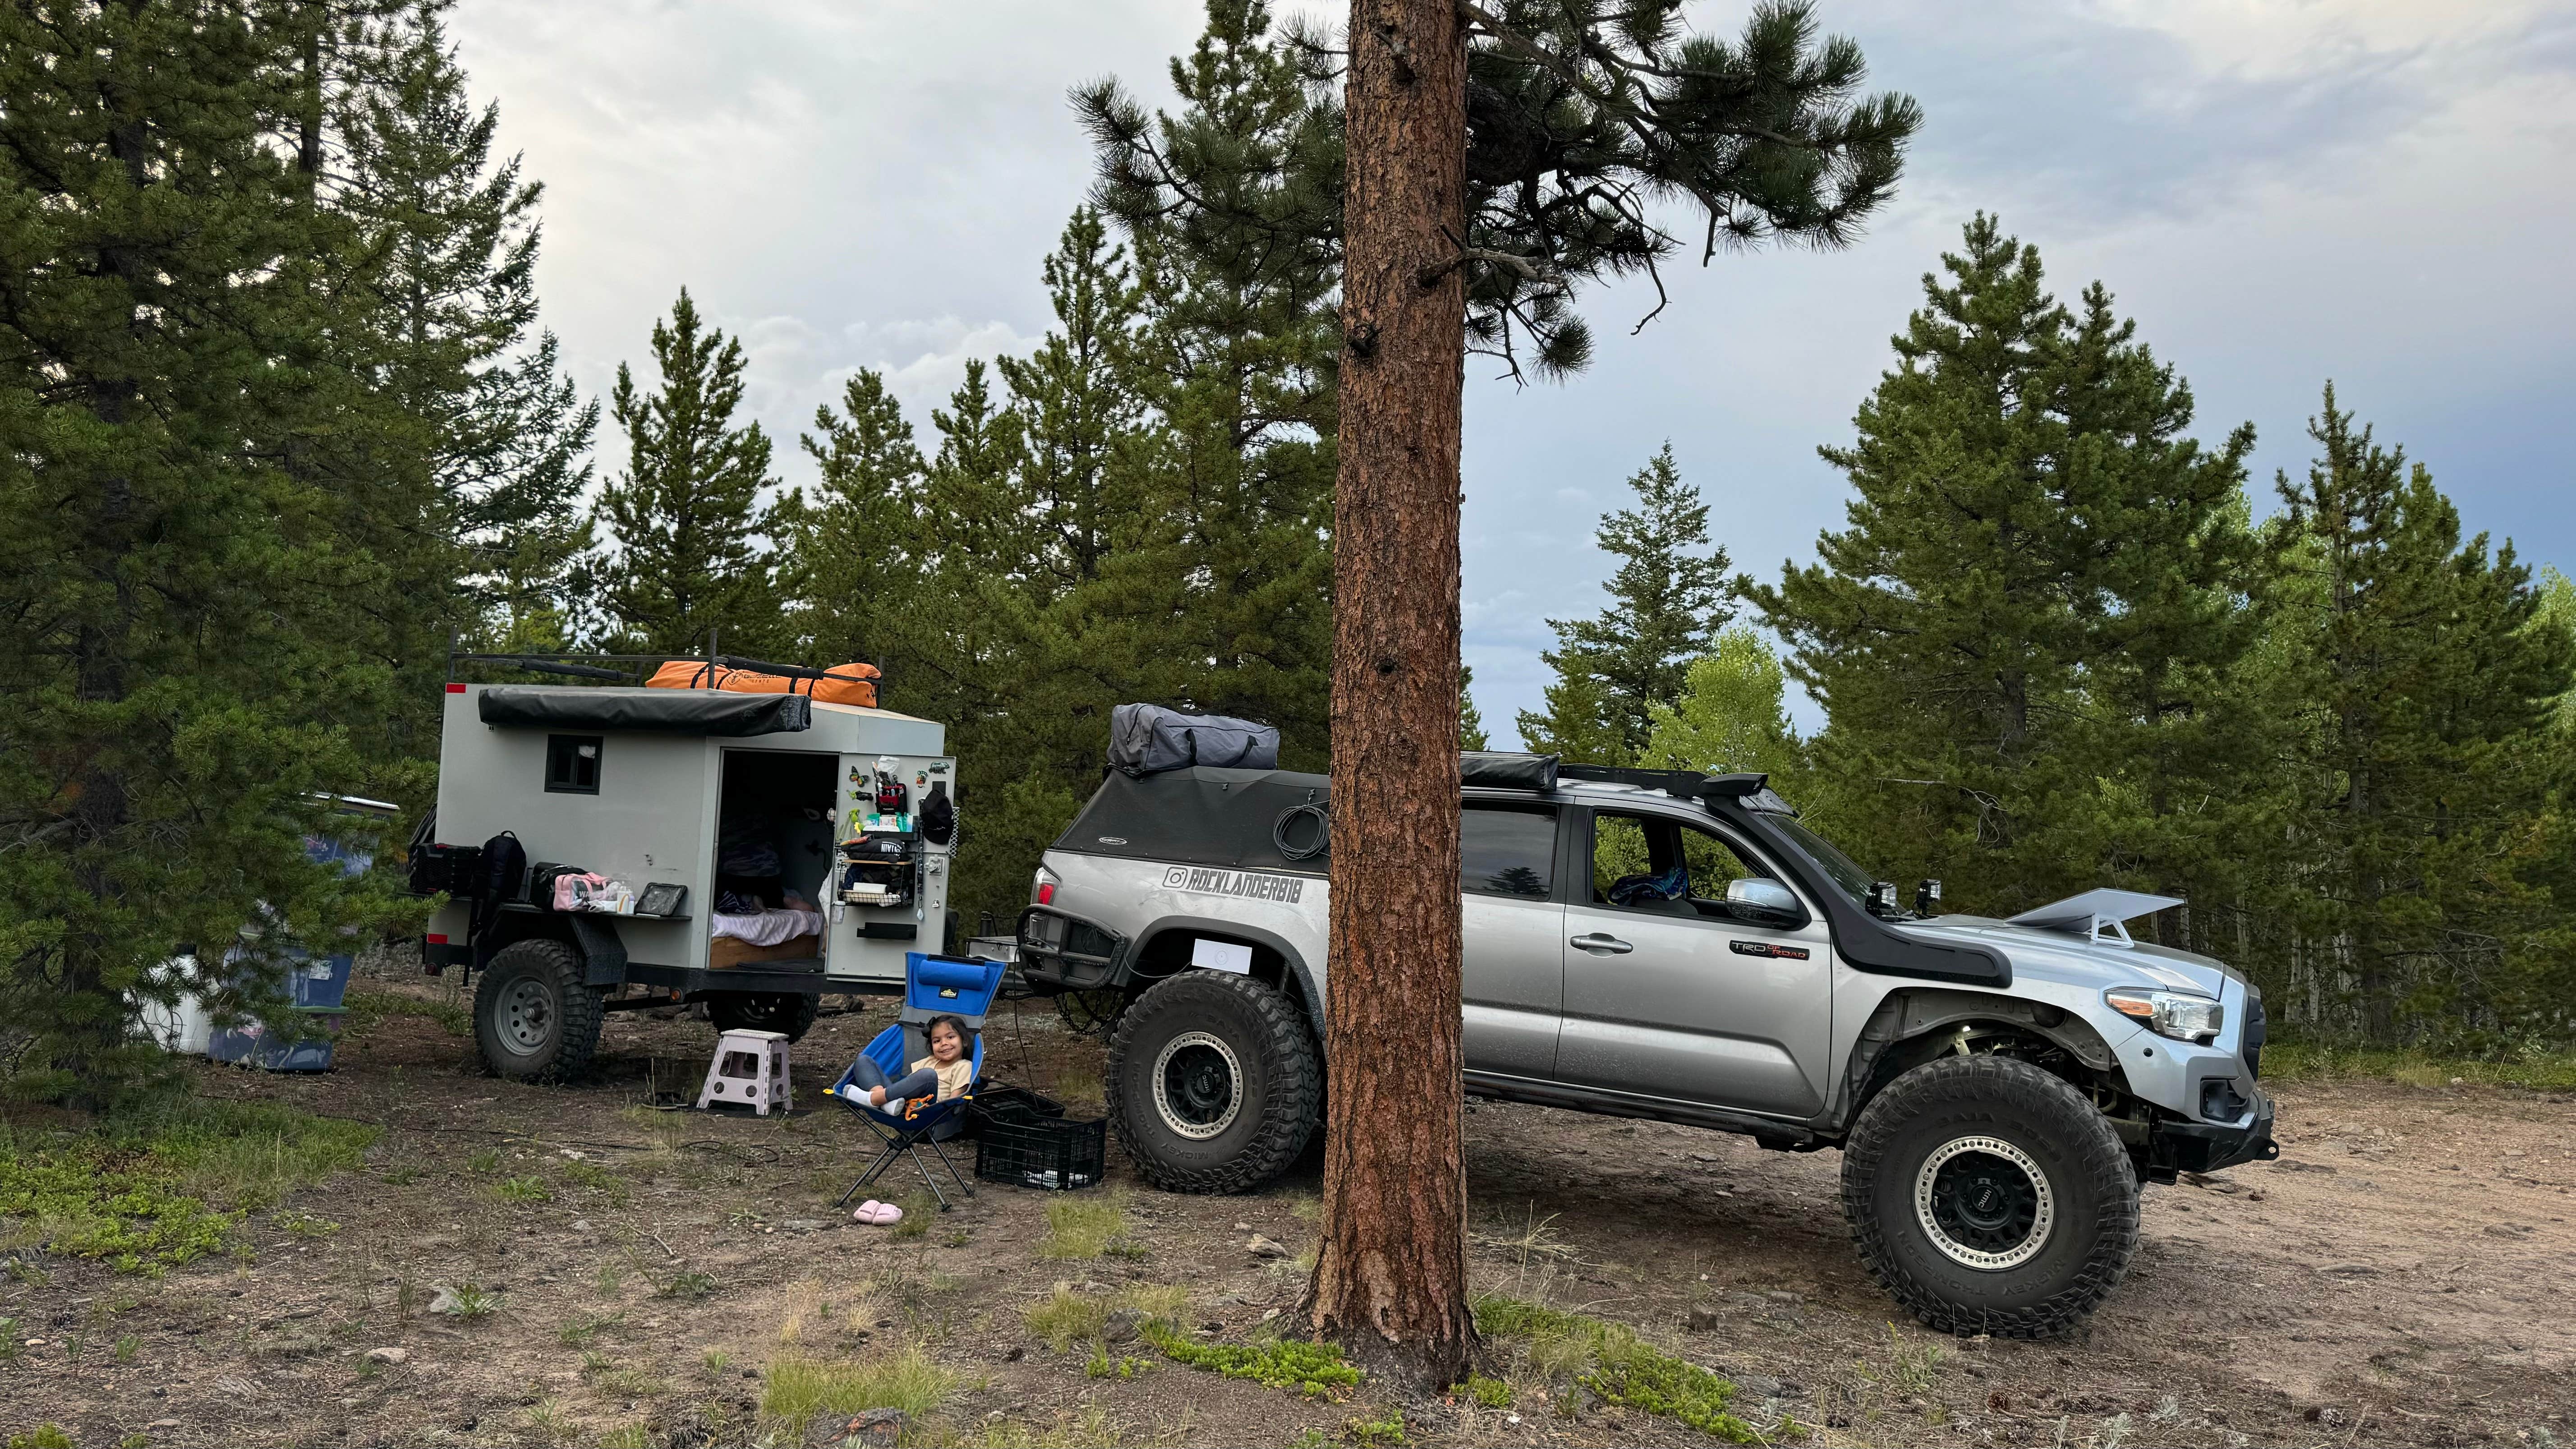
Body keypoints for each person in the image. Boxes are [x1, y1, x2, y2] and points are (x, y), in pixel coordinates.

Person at [845, 1014, 974, 1109]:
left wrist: (932, 1109)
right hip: (899, 1102)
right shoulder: (930, 1061)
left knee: (928, 1075)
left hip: (925, 1108)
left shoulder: (963, 1066)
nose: (944, 1043)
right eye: (937, 1041)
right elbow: (910, 1083)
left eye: (950, 1037)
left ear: (964, 1041)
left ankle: (874, 1099)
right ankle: (882, 1101)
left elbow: (954, 1100)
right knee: (864, 1060)